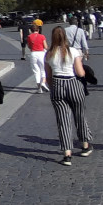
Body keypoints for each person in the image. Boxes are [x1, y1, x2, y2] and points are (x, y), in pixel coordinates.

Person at [45, 26, 93, 165]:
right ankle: (85, 146)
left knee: (63, 121)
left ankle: (67, 154)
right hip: (73, 84)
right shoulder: (73, 51)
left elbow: (48, 77)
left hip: (57, 85)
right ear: (65, 36)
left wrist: (54, 87)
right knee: (80, 116)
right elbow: (80, 73)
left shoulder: (48, 54)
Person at [27, 20, 48, 93]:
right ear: (38, 30)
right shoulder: (42, 36)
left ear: (31, 30)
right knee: (43, 69)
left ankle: (39, 88)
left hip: (33, 54)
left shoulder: (29, 36)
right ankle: (43, 83)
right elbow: (45, 46)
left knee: (36, 71)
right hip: (41, 53)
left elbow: (29, 46)